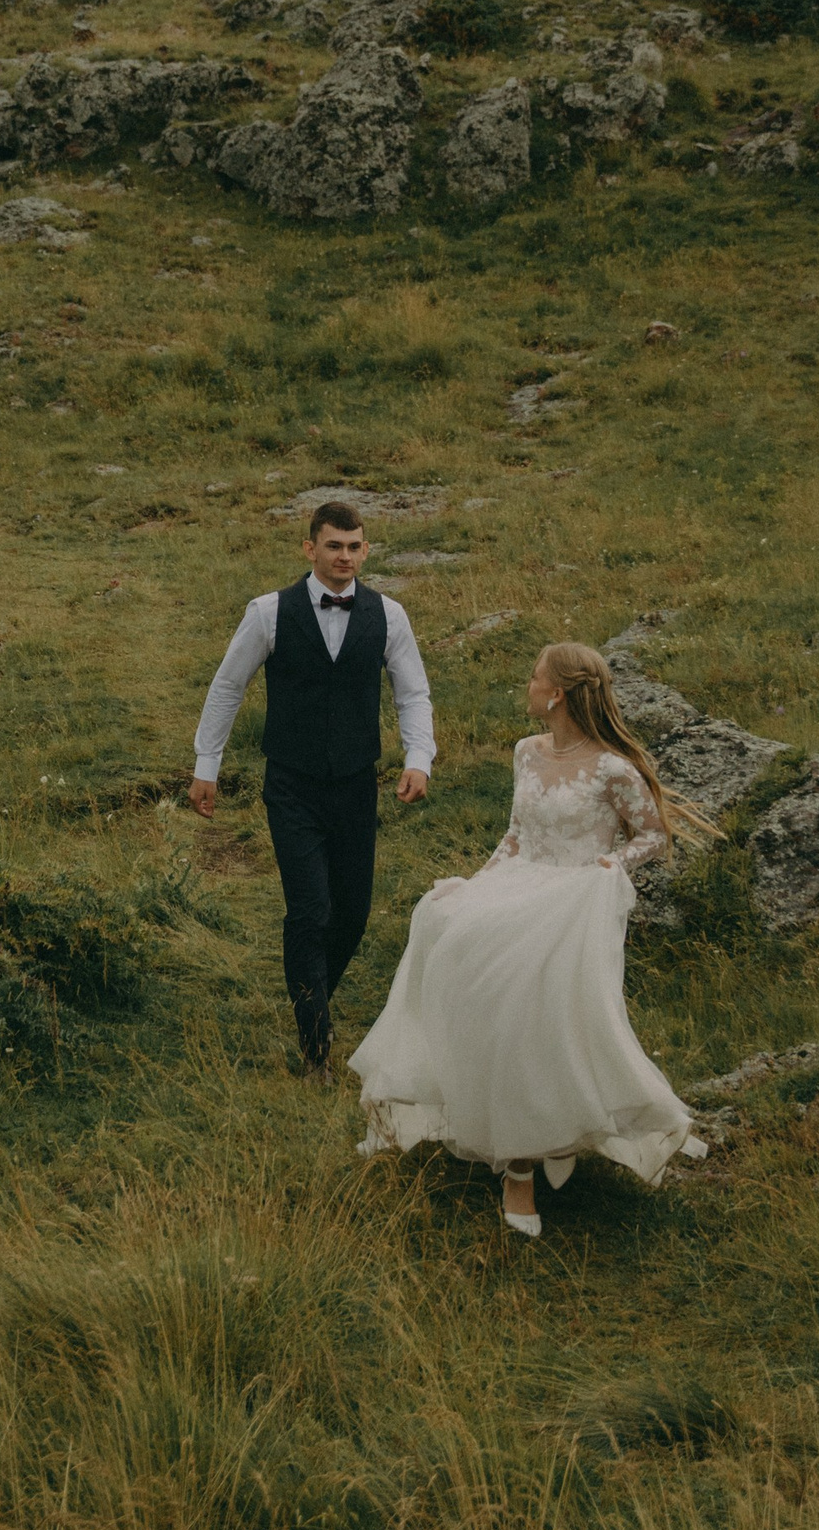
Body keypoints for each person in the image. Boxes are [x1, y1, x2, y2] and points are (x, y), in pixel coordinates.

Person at [348, 639, 707, 1235]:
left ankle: (522, 1172)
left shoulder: (612, 768)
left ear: (557, 693)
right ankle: (452, 1108)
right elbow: (515, 835)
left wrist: (612, 866)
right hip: (518, 884)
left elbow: (652, 835)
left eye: (535, 677)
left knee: (529, 1017)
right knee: (441, 926)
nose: (529, 685)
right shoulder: (526, 752)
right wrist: (476, 883)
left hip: (570, 901)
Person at [188, 499, 434, 1074]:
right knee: (310, 910)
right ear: (310, 548)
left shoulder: (389, 616)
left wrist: (418, 756)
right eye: (333, 546)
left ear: (365, 550)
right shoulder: (269, 612)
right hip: (292, 785)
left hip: (355, 785)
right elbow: (228, 686)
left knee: (352, 912)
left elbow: (412, 693)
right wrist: (207, 764)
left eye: (354, 547)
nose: (344, 556)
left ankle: (312, 993)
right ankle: (316, 1048)